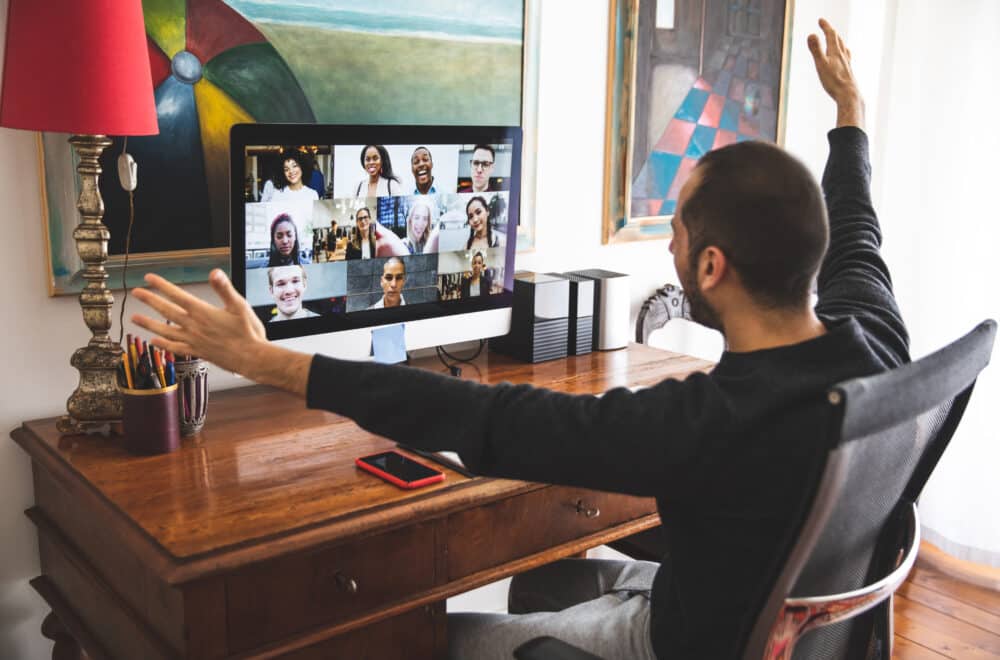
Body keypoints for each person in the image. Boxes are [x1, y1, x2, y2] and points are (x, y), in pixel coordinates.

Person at [132, 20, 906, 659]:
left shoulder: (705, 425)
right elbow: (859, 230)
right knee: (551, 576)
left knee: (430, 638)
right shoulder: (876, 341)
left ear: (712, 264)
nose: (667, 244)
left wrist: (260, 358)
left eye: (675, 227)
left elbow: (484, 420)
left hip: (678, 639)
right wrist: (850, 116)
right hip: (766, 612)